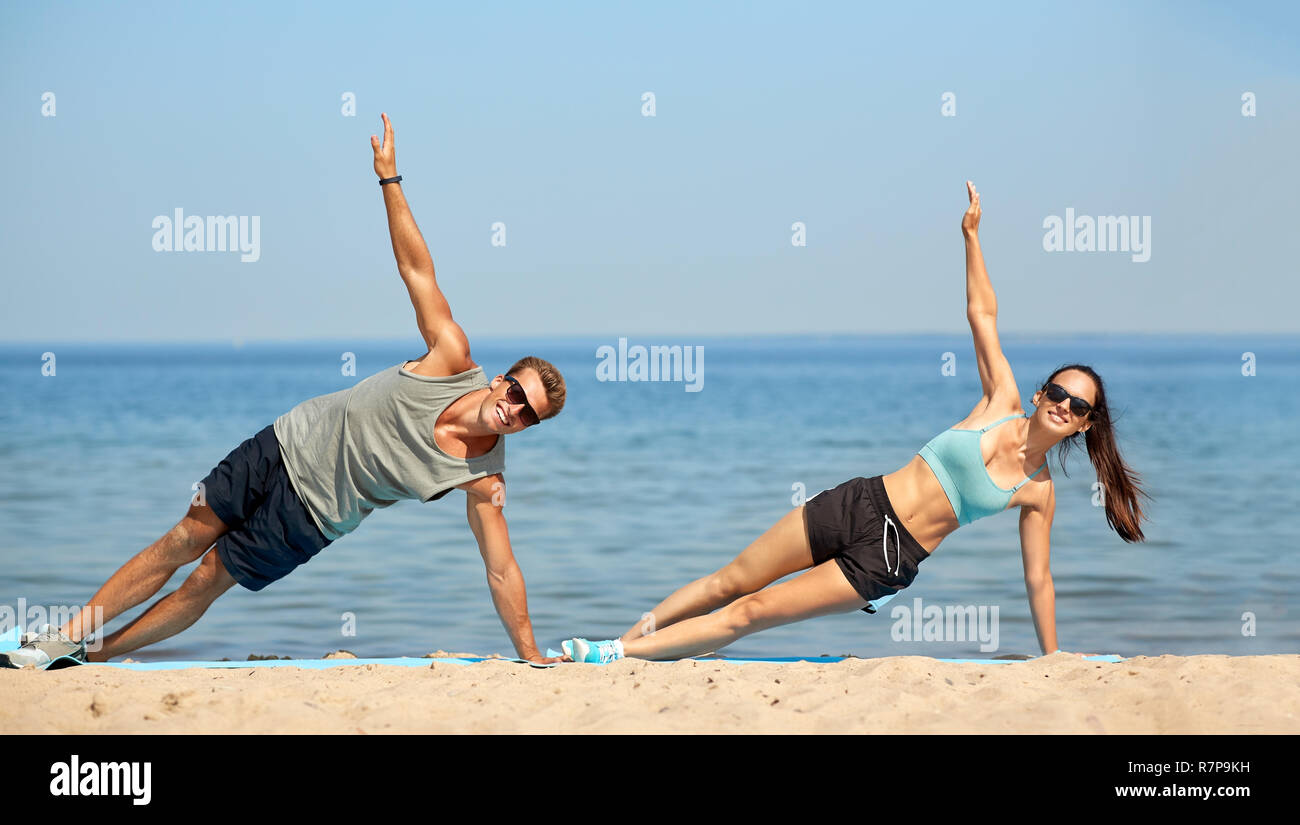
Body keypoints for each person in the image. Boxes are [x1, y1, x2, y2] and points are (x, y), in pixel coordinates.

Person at [3, 114, 568, 669]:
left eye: (527, 416)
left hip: (313, 516)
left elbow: (501, 567)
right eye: (516, 393)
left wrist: (530, 654)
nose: (513, 410)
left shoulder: (482, 477)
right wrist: (390, 179)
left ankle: (90, 655)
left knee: (206, 578)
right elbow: (415, 269)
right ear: (501, 379)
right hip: (284, 442)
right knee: (182, 538)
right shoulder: (450, 356)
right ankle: (60, 638)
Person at [566, 181, 1151, 664]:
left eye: (1078, 406)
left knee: (749, 614)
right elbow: (982, 313)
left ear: (1083, 425)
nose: (1063, 405)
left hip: (888, 558)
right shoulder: (999, 400)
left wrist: (1052, 660)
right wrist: (971, 238)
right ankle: (623, 639)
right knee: (731, 580)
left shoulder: (1039, 492)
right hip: (859, 501)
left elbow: (1039, 579)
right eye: (1058, 391)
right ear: (1039, 391)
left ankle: (616, 657)